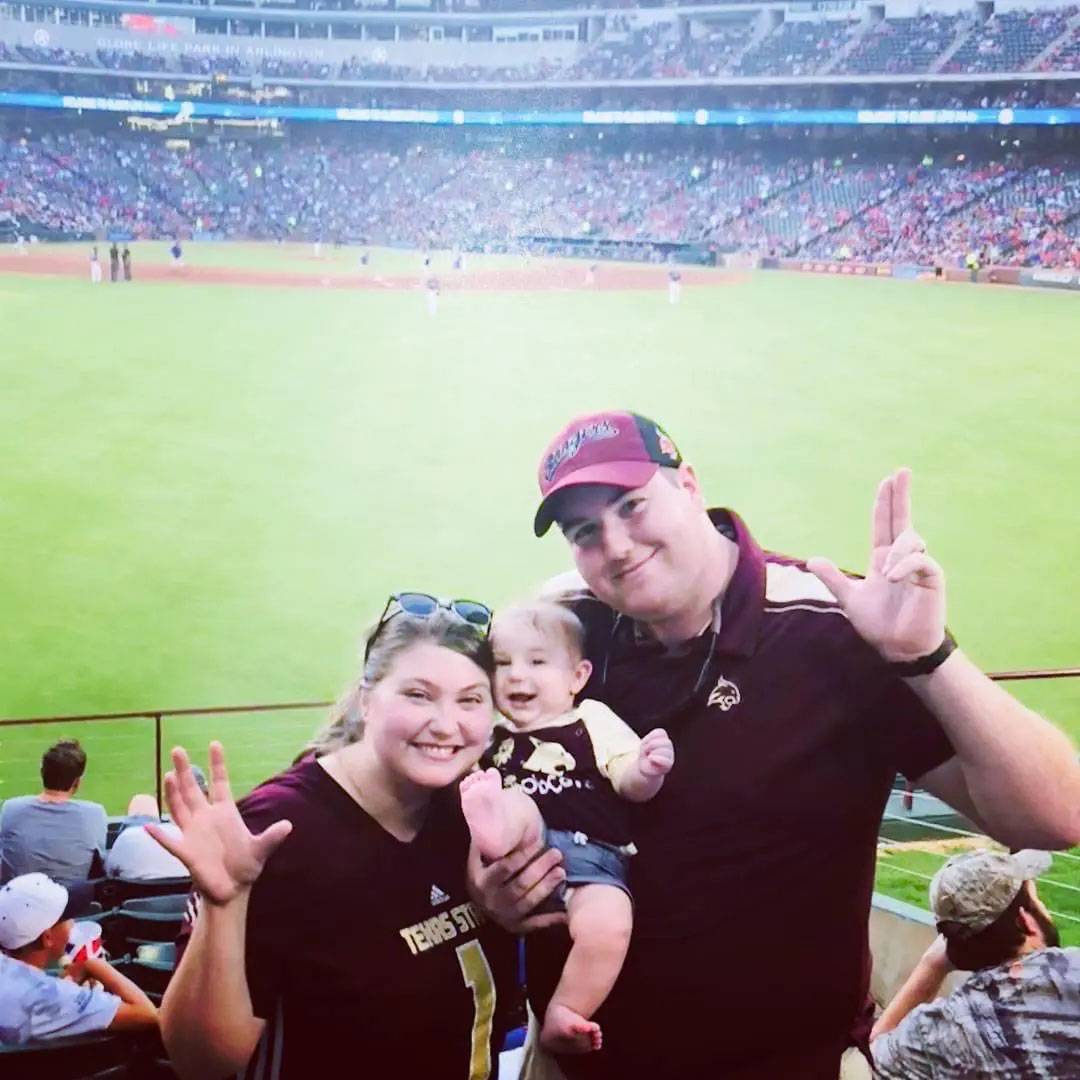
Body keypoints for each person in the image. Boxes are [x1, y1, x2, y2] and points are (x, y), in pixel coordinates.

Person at [470, 410, 1080, 1079]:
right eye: (585, 532)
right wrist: (491, 889)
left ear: (690, 486)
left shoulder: (832, 623)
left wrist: (925, 655)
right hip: (585, 1061)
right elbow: (474, 774)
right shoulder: (567, 631)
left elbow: (1054, 817)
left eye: (633, 505)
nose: (614, 545)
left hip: (787, 1064)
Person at [151, 596, 518, 1080]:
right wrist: (225, 904)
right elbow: (201, 1063)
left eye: (470, 699)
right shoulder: (276, 829)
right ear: (366, 700)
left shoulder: (476, 806)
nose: (447, 724)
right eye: (418, 695)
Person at [461, 602, 674, 1055]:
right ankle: (494, 824)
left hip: (594, 859)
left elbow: (627, 778)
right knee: (514, 803)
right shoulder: (492, 735)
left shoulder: (590, 719)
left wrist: (647, 770)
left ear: (577, 677)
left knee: (611, 925)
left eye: (537, 662)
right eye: (502, 664)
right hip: (524, 848)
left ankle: (566, 1011)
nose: (517, 676)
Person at [871, 849, 1079, 1077]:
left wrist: (931, 966)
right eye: (1036, 899)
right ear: (1025, 920)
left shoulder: (946, 1028)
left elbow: (875, 1057)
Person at [0, 872, 159, 1044]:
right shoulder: (53, 997)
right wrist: (94, 965)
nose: (73, 923)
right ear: (48, 938)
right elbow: (148, 1014)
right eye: (67, 918)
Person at [0, 739, 107, 885]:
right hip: (72, 904)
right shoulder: (94, 814)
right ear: (77, 783)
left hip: (19, 902)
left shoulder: (11, 809)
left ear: (42, 772)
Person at [104, 795, 189, 882]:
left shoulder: (127, 836)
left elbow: (109, 872)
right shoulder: (179, 834)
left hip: (135, 893)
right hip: (181, 892)